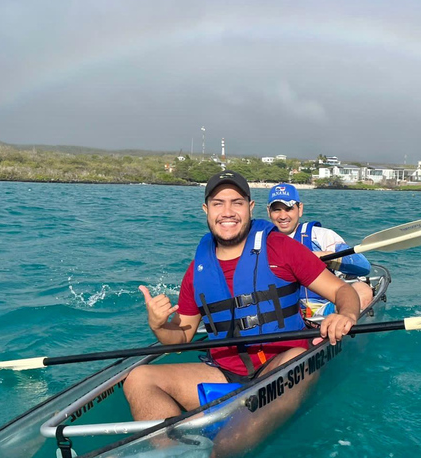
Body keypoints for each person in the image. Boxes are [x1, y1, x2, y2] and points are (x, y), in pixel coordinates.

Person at [123, 170, 360, 423]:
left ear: (250, 207)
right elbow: (180, 337)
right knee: (139, 378)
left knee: (294, 361)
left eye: (236, 202)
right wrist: (158, 325)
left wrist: (345, 314)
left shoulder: (282, 248)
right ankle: (170, 449)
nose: (227, 212)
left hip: (281, 368)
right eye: (218, 204)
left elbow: (341, 290)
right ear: (206, 209)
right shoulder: (197, 271)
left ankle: (225, 443)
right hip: (225, 373)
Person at [266, 183, 374, 318]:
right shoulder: (262, 242)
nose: (283, 216)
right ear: (268, 212)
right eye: (276, 210)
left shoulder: (320, 236)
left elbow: (363, 266)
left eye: (288, 208)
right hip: (284, 314)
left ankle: (339, 325)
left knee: (363, 289)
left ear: (300, 209)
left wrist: (325, 257)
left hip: (323, 311)